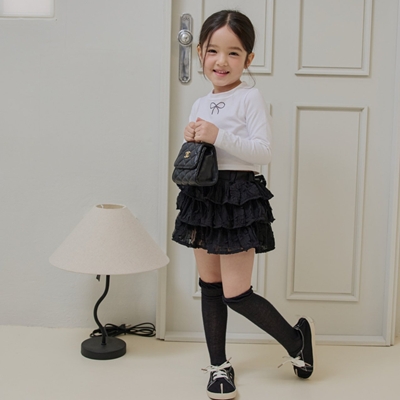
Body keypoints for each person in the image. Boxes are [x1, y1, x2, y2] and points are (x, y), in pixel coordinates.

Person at [172, 10, 315, 400]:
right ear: (200, 53)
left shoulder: (250, 97)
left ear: (248, 59)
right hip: (203, 197)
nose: (222, 61)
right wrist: (192, 137)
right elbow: (200, 157)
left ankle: (297, 340)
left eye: (233, 53)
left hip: (237, 198)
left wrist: (216, 135)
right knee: (210, 286)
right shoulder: (199, 102)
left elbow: (263, 152)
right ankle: (219, 366)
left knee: (236, 293)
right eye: (213, 51)